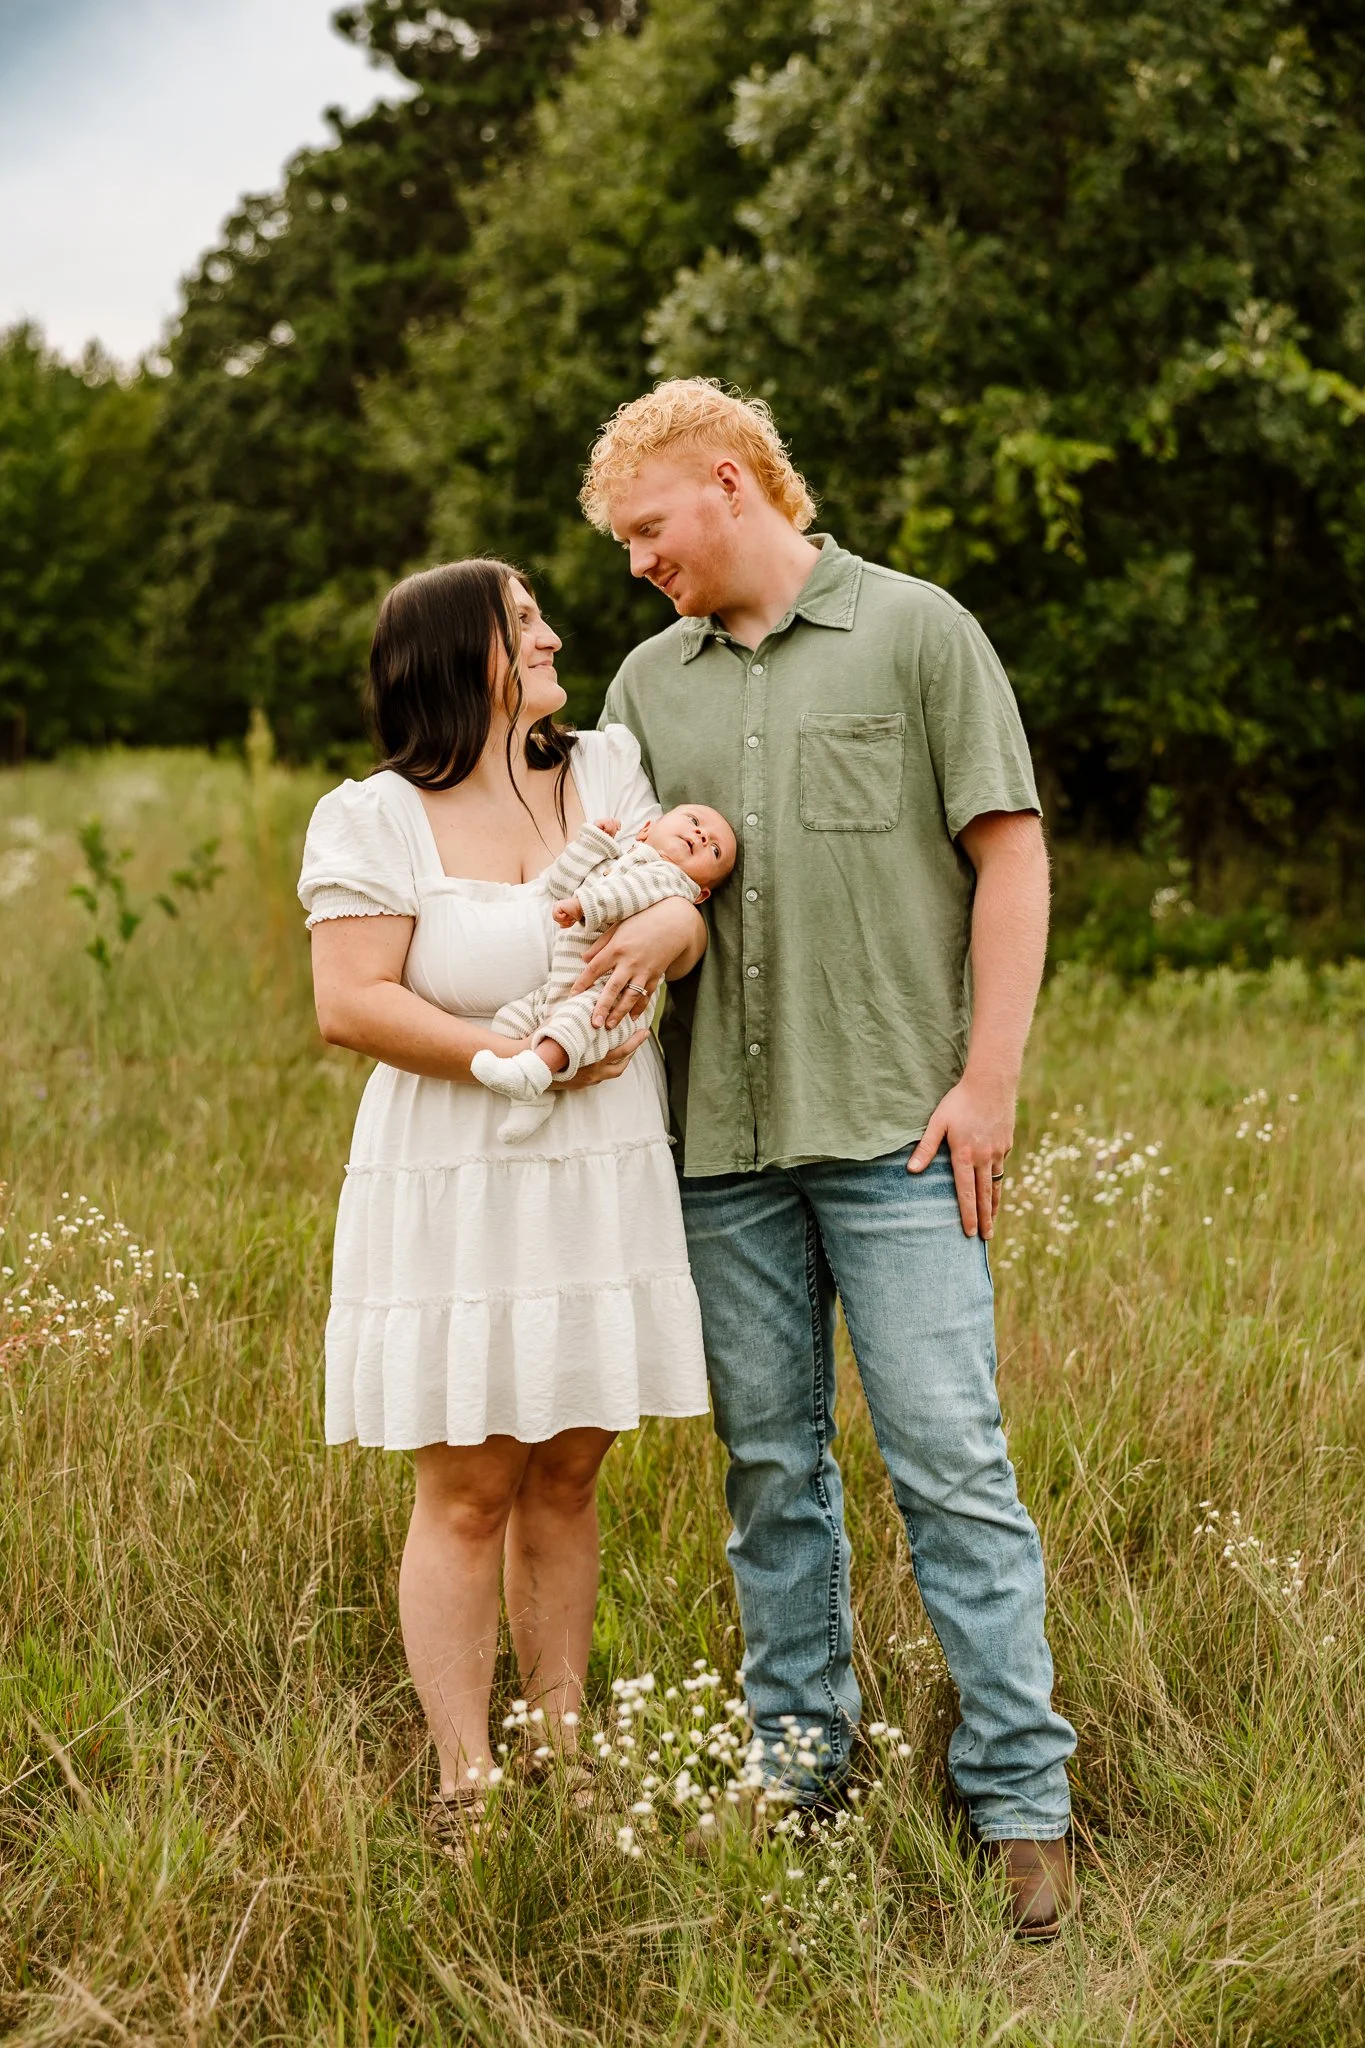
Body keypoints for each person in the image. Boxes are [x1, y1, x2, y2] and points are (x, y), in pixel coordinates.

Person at [572, 378, 1077, 1939]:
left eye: (648, 531)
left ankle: (1020, 1798)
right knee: (770, 1471)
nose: (637, 563)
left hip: (903, 1135)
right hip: (716, 1143)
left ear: (729, 485)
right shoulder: (644, 688)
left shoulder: (921, 631)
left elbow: (1010, 853)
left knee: (953, 1469)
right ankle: (803, 1763)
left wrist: (987, 1083)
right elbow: (625, 884)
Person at [297, 559, 710, 1845]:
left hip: (602, 1151)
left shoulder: (608, 767)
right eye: (523, 619)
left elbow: (675, 899)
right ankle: (466, 1776)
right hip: (460, 1160)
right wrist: (500, 1062)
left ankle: (570, 1754)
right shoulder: (371, 816)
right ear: (457, 652)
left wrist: (675, 933)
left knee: (573, 1467)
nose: (552, 633)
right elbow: (350, 1001)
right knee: (472, 1479)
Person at [472, 802, 736, 1138]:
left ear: (701, 895)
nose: (701, 835)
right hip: (563, 983)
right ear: (645, 830)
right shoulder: (614, 864)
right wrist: (591, 844)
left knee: (574, 1023)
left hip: (608, 999)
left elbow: (626, 895)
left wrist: (583, 905)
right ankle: (533, 1099)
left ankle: (533, 1074)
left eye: (714, 849)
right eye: (695, 821)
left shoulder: (672, 884)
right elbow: (559, 883)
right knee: (511, 1018)